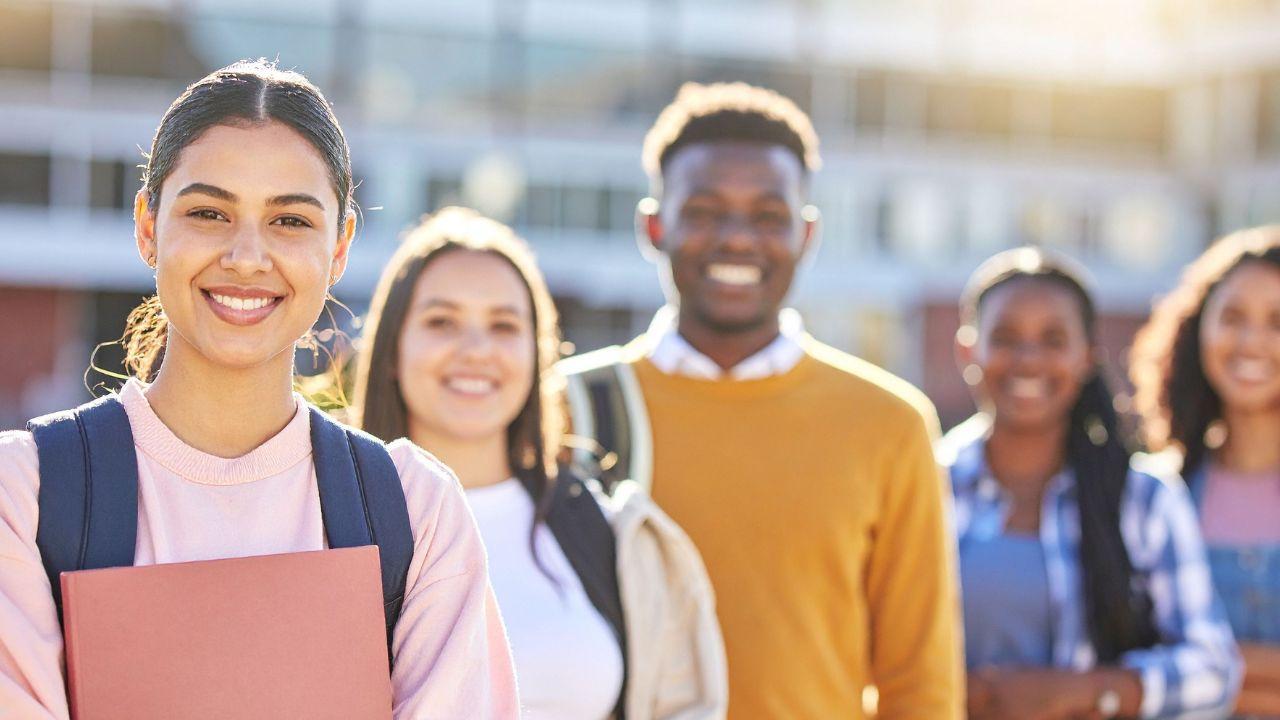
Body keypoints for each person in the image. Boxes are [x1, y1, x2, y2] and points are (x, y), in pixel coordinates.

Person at [0, 61, 518, 719]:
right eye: (209, 212)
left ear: (340, 247)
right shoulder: (25, 495)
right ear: (148, 226)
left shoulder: (416, 510)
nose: (246, 257)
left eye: (290, 221)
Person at [559, 81, 961, 718]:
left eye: (768, 216)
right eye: (705, 211)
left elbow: (921, 682)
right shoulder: (566, 406)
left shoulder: (892, 423)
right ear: (653, 226)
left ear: (807, 234)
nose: (738, 239)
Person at [350, 207, 727, 720]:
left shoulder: (606, 528)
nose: (476, 350)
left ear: (537, 353)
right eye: (442, 322)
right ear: (392, 348)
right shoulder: (322, 516)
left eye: (504, 326)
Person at [941, 246, 1240, 720]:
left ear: (1087, 357)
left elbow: (1214, 669)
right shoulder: (925, 485)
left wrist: (1087, 692)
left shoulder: (1143, 499)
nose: (1028, 359)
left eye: (1054, 339)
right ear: (967, 350)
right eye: (1005, 337)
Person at [1131, 226, 1280, 718]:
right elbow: (1129, 661)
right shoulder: (1152, 493)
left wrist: (1203, 673)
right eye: (1232, 318)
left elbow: (1159, 677)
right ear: (1198, 330)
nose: (1252, 341)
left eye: (1278, 322)